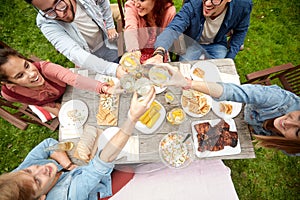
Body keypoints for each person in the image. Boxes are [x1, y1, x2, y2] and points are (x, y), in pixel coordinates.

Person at [0, 87, 156, 200]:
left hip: (80, 167)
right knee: (130, 169)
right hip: (96, 188)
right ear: (41, 198)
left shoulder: (18, 177)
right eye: (37, 181)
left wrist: (67, 165)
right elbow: (102, 162)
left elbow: (47, 144)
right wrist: (133, 118)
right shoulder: (69, 195)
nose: (40, 169)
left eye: (28, 171)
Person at [162, 64, 300, 155]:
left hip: (249, 131)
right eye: (299, 118)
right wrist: (189, 83)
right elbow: (233, 91)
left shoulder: (293, 149)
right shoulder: (277, 99)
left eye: (298, 131)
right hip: (245, 110)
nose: (288, 123)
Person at [0, 48, 121, 116]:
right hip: (53, 102)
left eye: (26, 65)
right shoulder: (10, 95)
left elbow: (73, 79)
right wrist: (55, 109)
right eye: (20, 75)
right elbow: (34, 102)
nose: (32, 74)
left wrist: (104, 88)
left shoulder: (46, 68)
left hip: (70, 88)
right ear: (9, 83)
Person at [24, 0, 126, 78]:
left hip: (106, 41)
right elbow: (74, 53)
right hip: (90, 57)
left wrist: (110, 26)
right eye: (48, 11)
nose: (60, 14)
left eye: (58, 3)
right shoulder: (45, 22)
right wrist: (113, 70)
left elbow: (103, 2)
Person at [145, 0, 253, 63]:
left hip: (217, 43)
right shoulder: (193, 4)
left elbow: (241, 31)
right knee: (186, 73)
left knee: (217, 73)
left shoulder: (243, 6)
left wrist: (229, 59)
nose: (207, 3)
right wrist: (159, 53)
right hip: (190, 42)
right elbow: (173, 28)